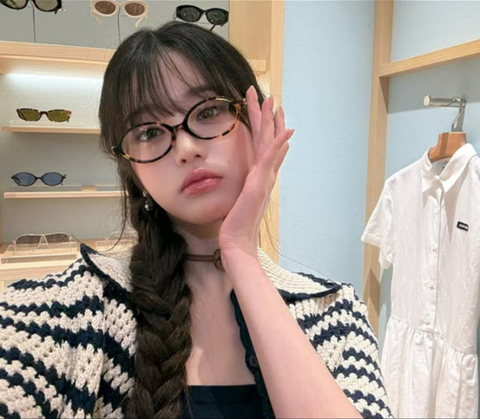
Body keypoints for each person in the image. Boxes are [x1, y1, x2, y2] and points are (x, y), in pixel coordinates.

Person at [0, 21, 393, 419]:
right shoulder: (66, 313)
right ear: (131, 168)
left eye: (207, 111)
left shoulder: (335, 315)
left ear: (260, 123)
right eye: (149, 132)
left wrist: (240, 254)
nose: (185, 148)